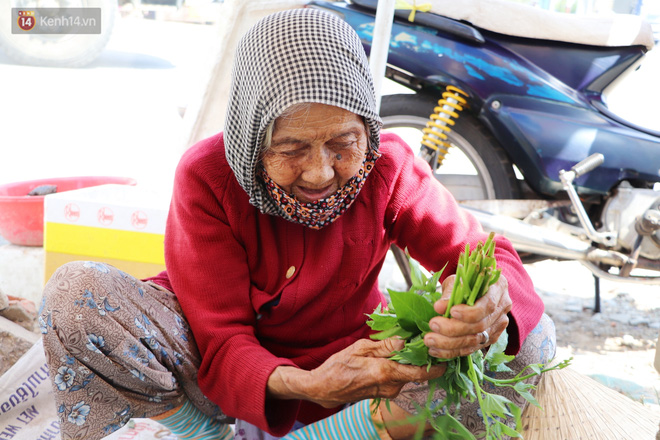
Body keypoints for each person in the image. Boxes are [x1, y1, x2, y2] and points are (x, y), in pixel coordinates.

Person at [39, 8, 555, 440]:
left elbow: (487, 254)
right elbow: (220, 335)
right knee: (76, 296)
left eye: (342, 144)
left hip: (362, 371)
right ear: (252, 138)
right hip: (222, 371)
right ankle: (204, 434)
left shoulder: (388, 165)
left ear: (367, 131)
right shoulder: (209, 176)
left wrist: (489, 305)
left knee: (527, 343)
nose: (321, 173)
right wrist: (303, 384)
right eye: (291, 150)